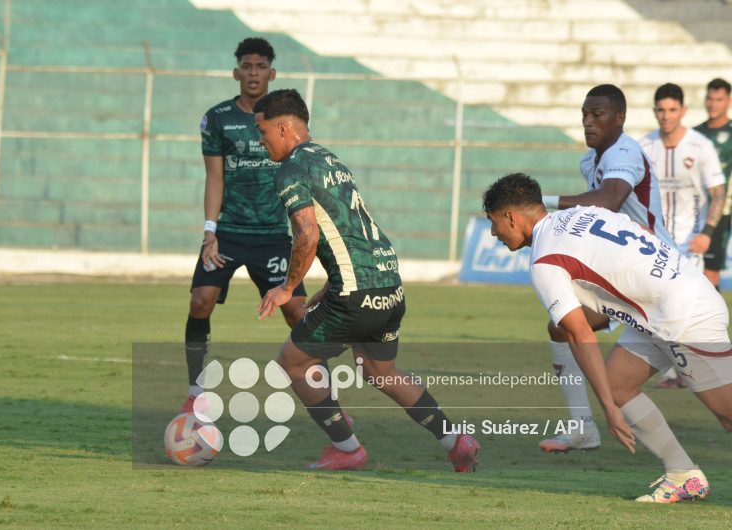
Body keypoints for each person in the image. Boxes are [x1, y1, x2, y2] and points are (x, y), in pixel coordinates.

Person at [253, 88, 480, 471]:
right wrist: (329, 281)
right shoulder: (328, 158)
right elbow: (346, 227)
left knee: (292, 363)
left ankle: (346, 448)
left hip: (355, 294)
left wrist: (287, 288)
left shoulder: (291, 170)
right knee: (380, 372)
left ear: (282, 127)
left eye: (262, 133)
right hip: (388, 281)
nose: (261, 142)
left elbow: (307, 233)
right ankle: (455, 441)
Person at [484, 172, 732, 503]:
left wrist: (607, 410)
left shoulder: (543, 260)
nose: (492, 232)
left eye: (493, 222)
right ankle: (682, 474)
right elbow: (640, 232)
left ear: (510, 217)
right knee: (618, 384)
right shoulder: (581, 213)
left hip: (684, 315)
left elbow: (579, 333)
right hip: (666, 302)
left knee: (728, 416)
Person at [537, 84, 674, 452]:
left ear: (620, 118)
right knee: (562, 327)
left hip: (658, 276)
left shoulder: (625, 152)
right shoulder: (589, 162)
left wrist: (541, 203)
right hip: (626, 277)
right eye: (584, 115)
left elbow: (609, 201)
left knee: (708, 384)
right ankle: (582, 427)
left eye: (597, 115)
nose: (588, 122)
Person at [181, 37, 307, 414]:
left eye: (260, 66)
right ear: (236, 72)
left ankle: (326, 394)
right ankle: (193, 391)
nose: (253, 73)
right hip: (229, 234)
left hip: (272, 237)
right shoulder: (218, 118)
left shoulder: (283, 122)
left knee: (298, 313)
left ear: (272, 73)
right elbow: (214, 179)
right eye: (247, 66)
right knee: (200, 302)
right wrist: (210, 233)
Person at [640, 83, 726, 389]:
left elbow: (718, 193)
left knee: (689, 309)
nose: (666, 116)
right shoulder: (645, 146)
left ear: (683, 111)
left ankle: (709, 367)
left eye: (672, 110)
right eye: (661, 110)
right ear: (655, 112)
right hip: (656, 243)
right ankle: (675, 372)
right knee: (657, 306)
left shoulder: (700, 146)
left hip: (691, 243)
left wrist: (706, 234)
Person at [696, 78, 732, 289]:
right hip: (693, 208)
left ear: (728, 101)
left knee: (710, 271)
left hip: (721, 211)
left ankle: (711, 319)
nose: (713, 104)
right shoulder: (695, 133)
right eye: (710, 98)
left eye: (718, 99)